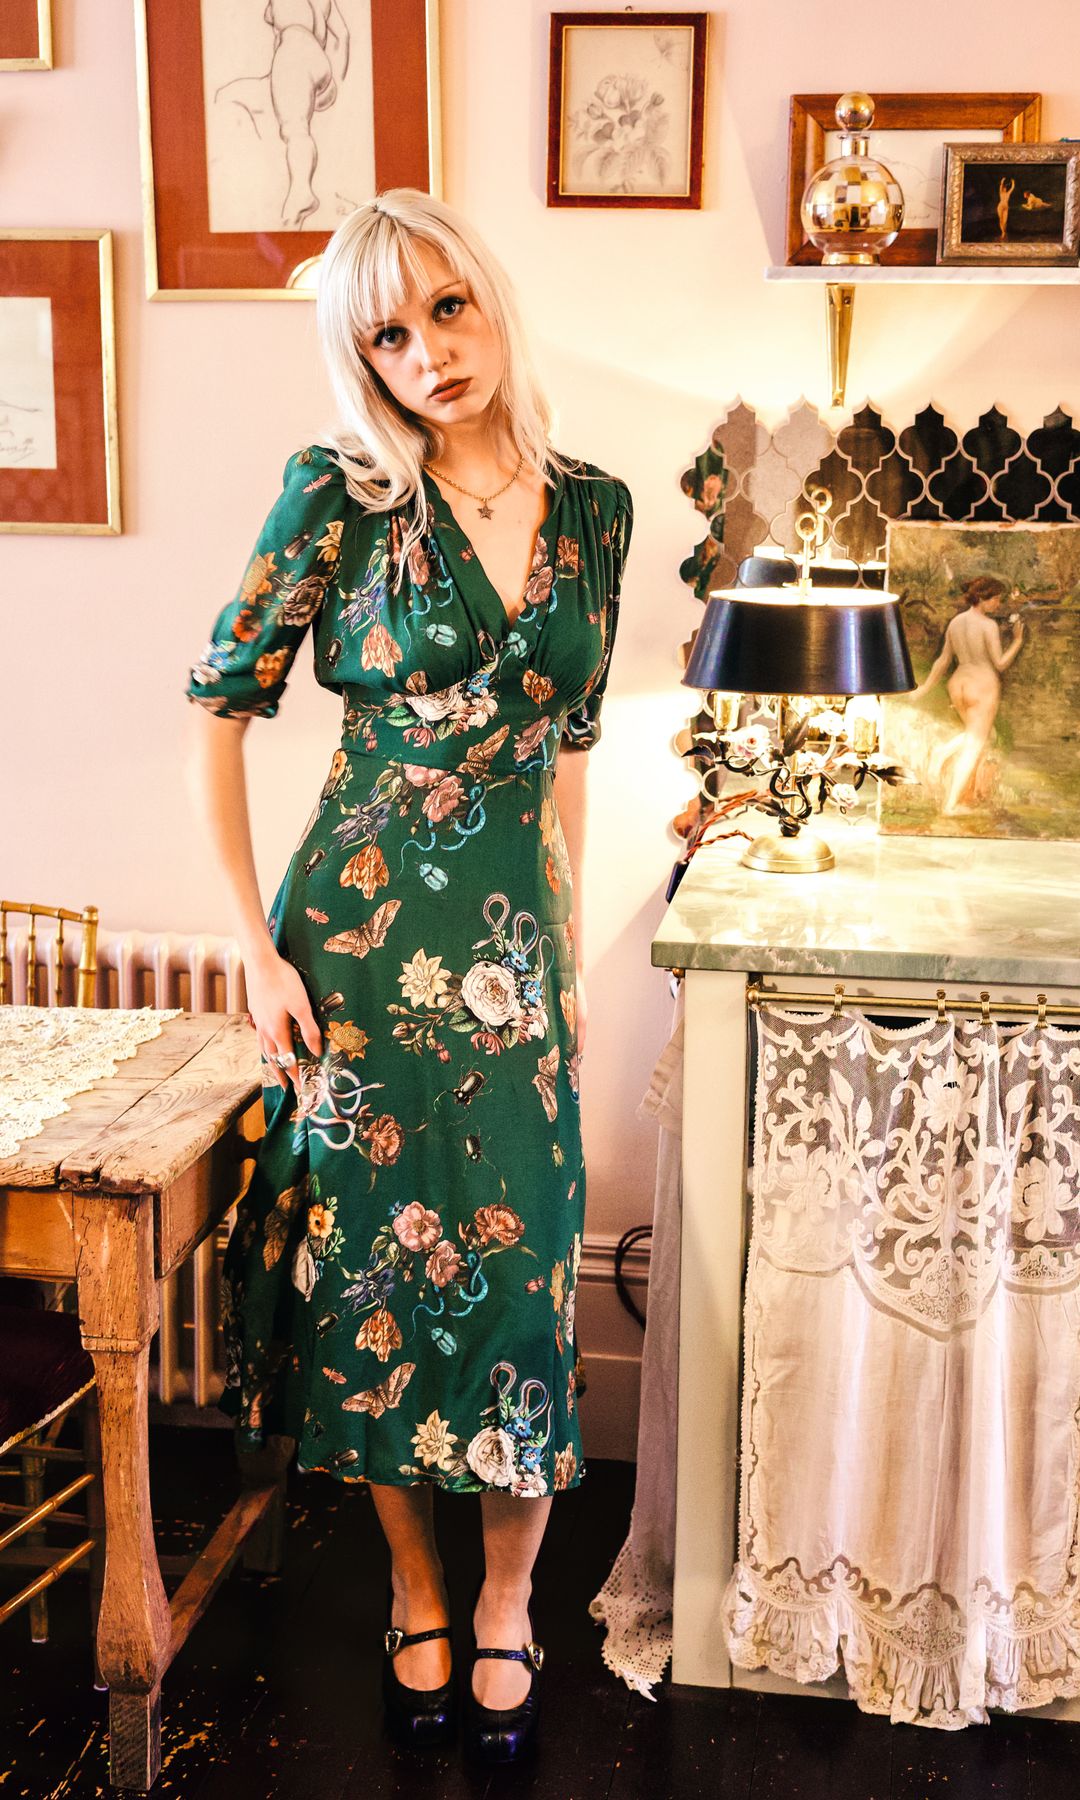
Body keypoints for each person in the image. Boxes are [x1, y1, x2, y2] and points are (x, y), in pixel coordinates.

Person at [183, 187, 633, 1763]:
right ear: (355, 352)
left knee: (517, 1286)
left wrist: (568, 954)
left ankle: (511, 1593)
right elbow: (219, 710)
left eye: (446, 308)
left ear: (489, 298)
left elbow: (568, 755)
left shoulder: (598, 510)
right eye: (387, 329)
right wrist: (253, 952)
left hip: (512, 957)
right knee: (372, 1285)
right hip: (356, 955)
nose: (427, 351)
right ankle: (415, 1584)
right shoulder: (338, 492)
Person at [909, 574, 1024, 816]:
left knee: (983, 736)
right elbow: (1000, 663)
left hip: (958, 683)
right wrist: (1017, 640)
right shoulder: (988, 625)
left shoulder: (956, 622)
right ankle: (950, 805)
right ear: (984, 598)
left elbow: (943, 660)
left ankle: (943, 751)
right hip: (981, 685)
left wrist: (925, 688)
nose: (998, 605)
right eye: (996, 600)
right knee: (975, 744)